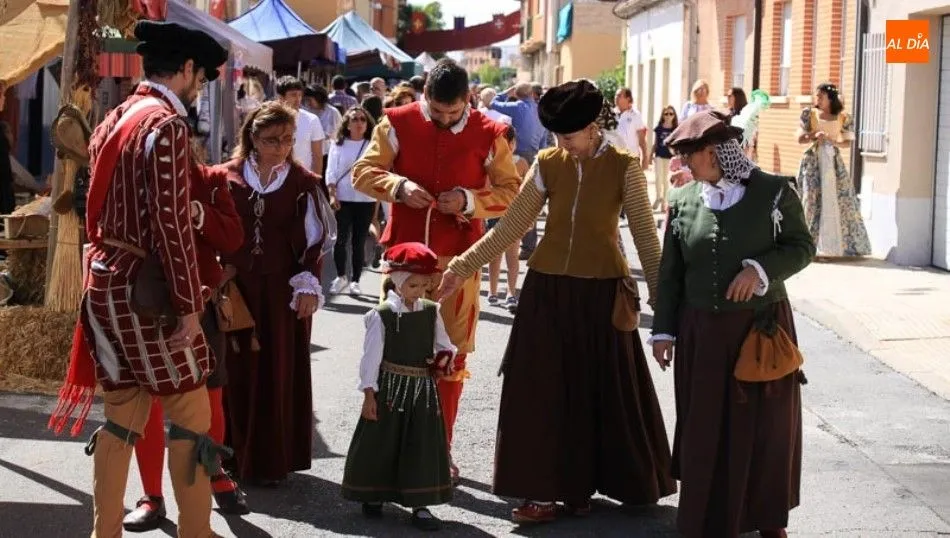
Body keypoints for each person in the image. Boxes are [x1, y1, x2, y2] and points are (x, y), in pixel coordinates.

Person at [437, 79, 674, 524]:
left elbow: (645, 236)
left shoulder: (624, 165)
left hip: (602, 291)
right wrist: (461, 267)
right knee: (540, 391)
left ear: (590, 128)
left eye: (569, 136)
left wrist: (666, 313)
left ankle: (586, 487)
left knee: (598, 392)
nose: (562, 145)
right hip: (546, 290)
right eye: (557, 137)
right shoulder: (548, 162)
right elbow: (510, 227)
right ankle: (544, 492)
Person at [47, 20, 229, 537]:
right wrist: (191, 305)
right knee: (192, 413)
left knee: (123, 411)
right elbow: (171, 223)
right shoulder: (166, 126)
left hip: (103, 280)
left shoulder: (118, 114)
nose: (200, 86)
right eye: (201, 76)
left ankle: (104, 531)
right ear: (187, 68)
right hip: (146, 290)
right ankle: (197, 530)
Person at [352, 58, 521, 484]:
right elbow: (362, 172)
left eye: (454, 112)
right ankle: (391, 453)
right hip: (402, 266)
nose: (446, 121)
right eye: (438, 112)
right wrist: (398, 187)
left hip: (457, 266)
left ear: (467, 99)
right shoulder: (394, 122)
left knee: (449, 360)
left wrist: (467, 200)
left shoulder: (491, 132)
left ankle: (438, 450)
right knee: (394, 355)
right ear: (426, 95)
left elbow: (511, 193)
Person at [653, 109, 815, 538]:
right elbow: (670, 274)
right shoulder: (684, 201)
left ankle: (768, 517)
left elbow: (801, 247)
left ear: (715, 152)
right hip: (701, 332)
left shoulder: (774, 193)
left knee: (766, 427)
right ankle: (706, 517)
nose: (685, 167)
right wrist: (664, 330)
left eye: (691, 157)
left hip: (760, 328)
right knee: (705, 424)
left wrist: (760, 270)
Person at [123, 159, 248, 532]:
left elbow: (232, 238)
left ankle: (214, 473)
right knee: (148, 401)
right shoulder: (130, 179)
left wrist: (198, 213)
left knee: (210, 396)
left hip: (201, 304)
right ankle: (151, 496)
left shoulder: (209, 180)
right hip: (145, 305)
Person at [219, 101, 336, 485]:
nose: (281, 147)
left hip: (282, 292)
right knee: (233, 370)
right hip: (234, 290)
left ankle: (270, 461)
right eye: (272, 140)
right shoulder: (224, 177)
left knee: (277, 371)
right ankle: (227, 456)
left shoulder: (304, 183)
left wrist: (308, 283)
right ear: (252, 138)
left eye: (288, 139)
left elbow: (315, 241)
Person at [341, 242, 455, 531]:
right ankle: (375, 494)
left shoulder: (431, 311)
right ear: (398, 282)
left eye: (424, 285)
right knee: (383, 441)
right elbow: (371, 358)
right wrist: (369, 394)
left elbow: (444, 344)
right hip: (390, 388)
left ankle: (421, 503)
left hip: (422, 390)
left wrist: (443, 360)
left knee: (422, 444)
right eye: (414, 285)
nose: (420, 291)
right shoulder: (381, 316)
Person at [795, 82, 871, 258]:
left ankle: (834, 246)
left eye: (821, 96)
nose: (817, 99)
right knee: (811, 199)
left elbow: (846, 142)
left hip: (833, 162)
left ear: (830, 98)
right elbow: (799, 138)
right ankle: (808, 246)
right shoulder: (810, 114)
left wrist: (832, 140)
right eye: (817, 96)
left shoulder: (843, 117)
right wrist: (813, 135)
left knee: (837, 200)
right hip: (813, 162)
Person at [489, 82, 550, 259]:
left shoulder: (517, 107)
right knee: (529, 200)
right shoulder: (539, 110)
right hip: (534, 155)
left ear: (517, 93)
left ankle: (500, 239)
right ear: (532, 94)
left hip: (516, 155)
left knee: (507, 194)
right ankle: (529, 246)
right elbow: (544, 138)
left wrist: (505, 92)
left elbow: (493, 102)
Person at [327, 106, 376, 296]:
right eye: (355, 119)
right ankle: (341, 276)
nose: (359, 123)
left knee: (359, 240)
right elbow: (331, 170)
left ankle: (355, 280)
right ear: (347, 123)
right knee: (340, 239)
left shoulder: (372, 144)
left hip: (365, 198)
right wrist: (332, 194)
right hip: (343, 197)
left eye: (363, 119)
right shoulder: (338, 144)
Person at [486, 125, 526, 313]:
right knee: (494, 255)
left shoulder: (521, 163)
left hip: (515, 214)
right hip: (495, 213)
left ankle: (511, 292)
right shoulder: (490, 164)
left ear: (513, 143)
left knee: (513, 255)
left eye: (506, 142)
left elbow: (528, 191)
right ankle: (492, 291)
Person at [275, 76, 326, 178]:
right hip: (275, 180)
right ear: (281, 98)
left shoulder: (312, 120)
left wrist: (316, 182)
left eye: (300, 95)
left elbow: (317, 156)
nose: (298, 99)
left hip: (303, 180)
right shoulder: (270, 121)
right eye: (293, 95)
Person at [304, 84, 344, 184]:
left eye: (310, 100)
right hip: (308, 154)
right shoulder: (306, 111)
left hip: (327, 154)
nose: (308, 102)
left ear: (318, 98)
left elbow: (338, 132)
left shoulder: (332, 112)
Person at [651, 105, 678, 212]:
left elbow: (676, 144)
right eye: (666, 114)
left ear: (674, 116)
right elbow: (656, 143)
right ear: (663, 115)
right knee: (658, 177)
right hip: (659, 155)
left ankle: (665, 202)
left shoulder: (675, 129)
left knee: (666, 179)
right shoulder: (659, 128)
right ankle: (658, 198)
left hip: (669, 157)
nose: (668, 116)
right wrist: (649, 156)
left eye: (671, 114)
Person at [615, 87, 650, 167]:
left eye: (619, 95)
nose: (616, 97)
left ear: (628, 98)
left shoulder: (635, 115)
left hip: (631, 159)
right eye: (616, 95)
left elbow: (641, 139)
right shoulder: (611, 114)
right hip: (614, 160)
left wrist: (645, 157)